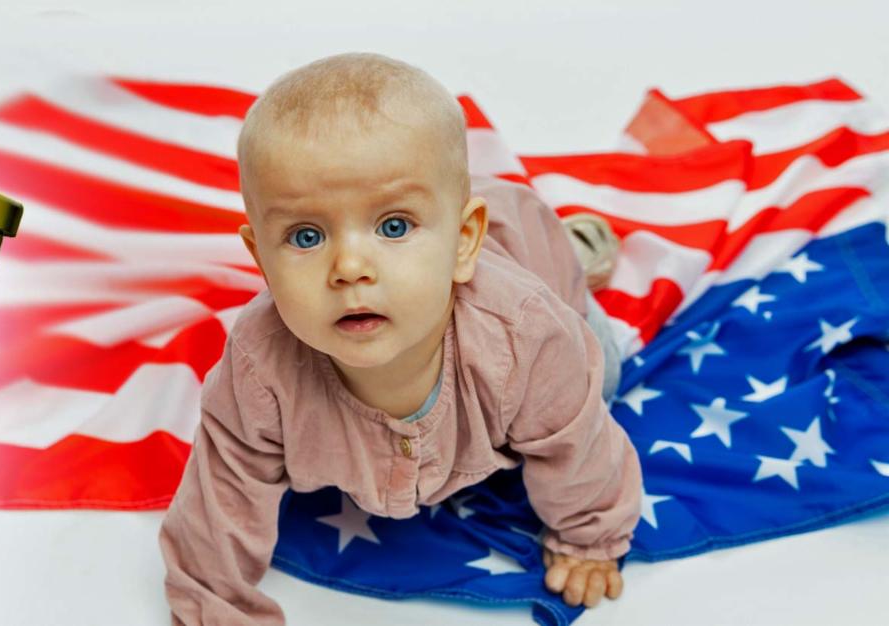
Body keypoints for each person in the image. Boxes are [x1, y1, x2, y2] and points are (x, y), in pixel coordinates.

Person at [158, 52, 642, 625]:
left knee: (598, 375)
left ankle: (580, 246)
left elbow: (578, 446)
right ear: (260, 259)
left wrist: (589, 537)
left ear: (464, 241)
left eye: (393, 226)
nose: (350, 267)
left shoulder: (527, 338)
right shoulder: (259, 367)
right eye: (306, 235)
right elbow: (223, 489)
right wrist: (215, 607)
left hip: (532, 253)